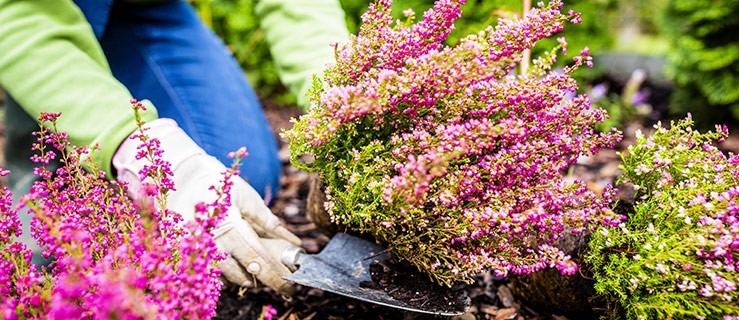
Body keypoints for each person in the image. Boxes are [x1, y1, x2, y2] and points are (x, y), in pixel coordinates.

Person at [0, 0, 349, 294]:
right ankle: (45, 153)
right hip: (30, 12)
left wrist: (342, 95)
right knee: (49, 258)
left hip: (143, 8)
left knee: (239, 182)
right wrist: (131, 142)